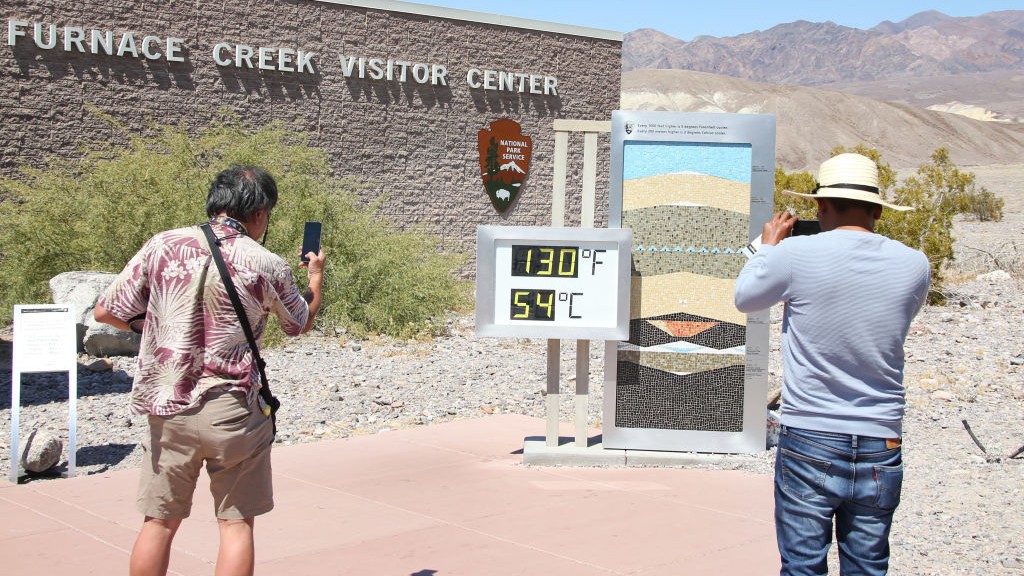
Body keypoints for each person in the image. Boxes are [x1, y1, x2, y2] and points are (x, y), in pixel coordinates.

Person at [94, 165, 326, 576]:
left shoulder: (162, 244)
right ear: (259, 213)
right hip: (233, 408)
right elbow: (298, 324)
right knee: (235, 524)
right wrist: (316, 277)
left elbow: (106, 311)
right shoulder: (265, 261)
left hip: (167, 404)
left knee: (159, 523)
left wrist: (152, 325)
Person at [734, 153, 931, 575]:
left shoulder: (795, 255)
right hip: (881, 436)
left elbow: (746, 297)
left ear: (821, 205)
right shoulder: (915, 264)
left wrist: (766, 248)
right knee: (867, 565)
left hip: (811, 432)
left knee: (803, 564)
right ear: (878, 210)